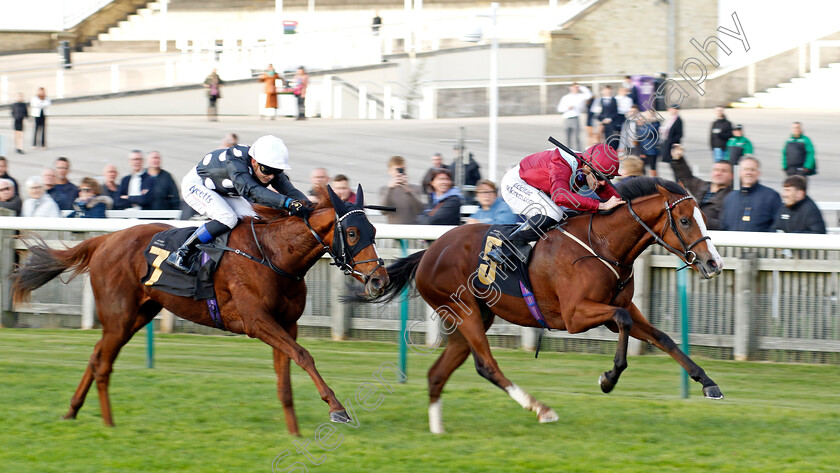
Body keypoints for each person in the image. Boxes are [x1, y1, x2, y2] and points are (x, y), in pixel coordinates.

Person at [166, 135, 311, 273]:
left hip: (222, 189)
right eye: (267, 170)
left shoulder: (265, 164)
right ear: (254, 161)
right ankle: (182, 253)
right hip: (197, 185)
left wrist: (311, 207)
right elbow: (253, 192)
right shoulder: (235, 163)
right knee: (227, 218)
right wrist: (288, 203)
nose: (271, 176)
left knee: (256, 220)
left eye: (276, 171)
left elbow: (290, 191)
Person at [487, 144, 624, 268]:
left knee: (572, 214)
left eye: (608, 178)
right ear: (587, 167)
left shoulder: (589, 168)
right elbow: (560, 196)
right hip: (516, 184)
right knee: (553, 213)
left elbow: (613, 196)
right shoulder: (562, 163)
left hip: (540, 188)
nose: (602, 183)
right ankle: (504, 248)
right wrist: (601, 205)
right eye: (600, 177)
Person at [669, 144, 733, 230]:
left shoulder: (732, 197)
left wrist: (698, 218)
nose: (718, 173)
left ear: (731, 176)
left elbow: (725, 224)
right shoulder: (704, 187)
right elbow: (687, 178)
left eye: (723, 171)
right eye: (716, 170)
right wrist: (679, 159)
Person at [720, 157, 781, 232]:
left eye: (752, 169)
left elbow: (777, 224)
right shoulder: (730, 198)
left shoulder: (771, 196)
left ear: (759, 173)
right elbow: (724, 226)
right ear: (739, 172)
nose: (749, 173)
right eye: (745, 169)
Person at [379, 156, 424, 224]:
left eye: (402, 169)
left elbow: (420, 210)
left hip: (413, 229)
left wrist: (408, 191)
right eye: (397, 170)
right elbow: (383, 211)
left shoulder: (415, 188)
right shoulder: (384, 190)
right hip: (394, 230)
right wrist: (390, 189)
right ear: (390, 171)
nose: (399, 173)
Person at [556, 83, 592, 150]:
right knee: (568, 138)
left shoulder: (580, 96)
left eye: (576, 88)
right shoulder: (566, 97)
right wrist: (567, 108)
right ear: (570, 88)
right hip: (567, 118)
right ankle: (568, 153)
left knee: (576, 137)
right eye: (573, 87)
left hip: (575, 118)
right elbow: (559, 109)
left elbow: (589, 95)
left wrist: (581, 86)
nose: (575, 89)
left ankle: (578, 152)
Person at [639, 109, 661, 176]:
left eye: (650, 114)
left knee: (652, 167)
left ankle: (654, 182)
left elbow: (650, 132)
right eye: (647, 114)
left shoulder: (656, 123)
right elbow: (640, 133)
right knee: (641, 167)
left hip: (652, 149)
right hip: (643, 148)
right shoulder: (644, 123)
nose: (648, 116)